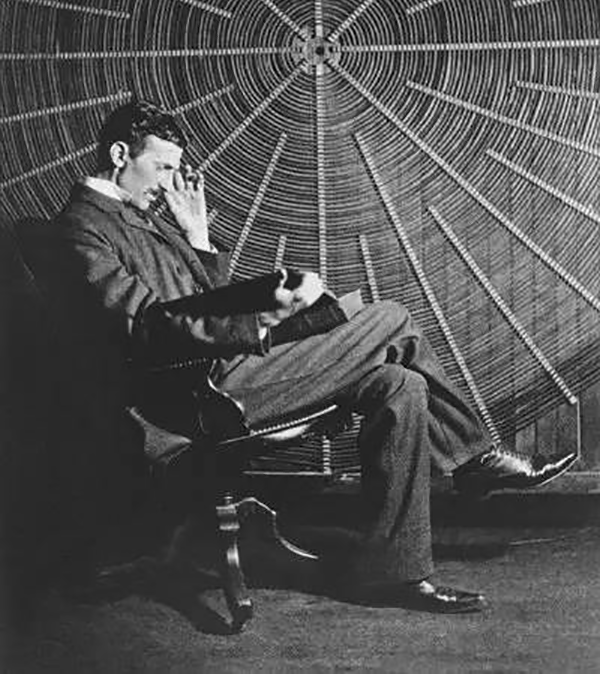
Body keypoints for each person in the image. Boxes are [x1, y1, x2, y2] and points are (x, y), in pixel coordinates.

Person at [54, 99, 575, 614]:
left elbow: (202, 302)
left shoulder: (141, 216)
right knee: (392, 318)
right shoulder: (82, 227)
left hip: (230, 367)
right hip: (198, 393)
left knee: (400, 384)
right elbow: (146, 327)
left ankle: (394, 572)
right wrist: (262, 320)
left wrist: (198, 238)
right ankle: (474, 459)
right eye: (162, 167)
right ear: (120, 154)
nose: (170, 182)